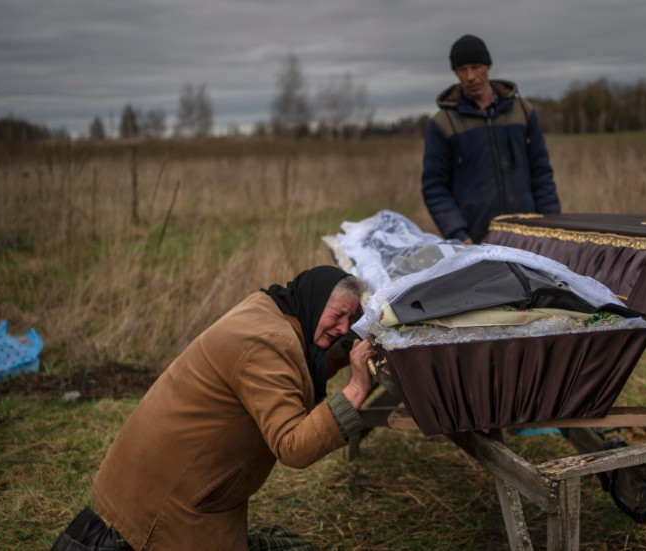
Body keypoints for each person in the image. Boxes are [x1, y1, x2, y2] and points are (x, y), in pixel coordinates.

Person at [51, 266, 376, 551]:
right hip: (168, 505)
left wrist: (349, 348)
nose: (345, 328)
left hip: (154, 485)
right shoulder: (268, 343)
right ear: (315, 301)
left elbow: (301, 368)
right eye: (337, 316)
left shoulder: (268, 309)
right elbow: (293, 446)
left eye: (352, 319)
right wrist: (356, 388)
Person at [421, 34, 561, 245]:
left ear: (488, 66)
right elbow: (434, 187)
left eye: (476, 67)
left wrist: (553, 227)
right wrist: (459, 235)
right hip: (477, 241)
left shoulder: (523, 112)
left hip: (529, 235)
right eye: (462, 69)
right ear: (455, 73)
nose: (470, 76)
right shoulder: (442, 124)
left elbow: (541, 172)